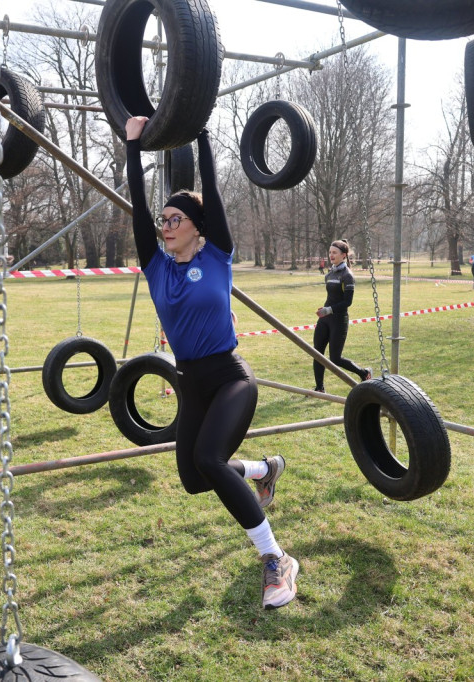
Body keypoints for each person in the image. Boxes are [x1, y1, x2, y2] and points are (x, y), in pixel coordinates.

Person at [126, 116, 298, 610]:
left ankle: (276, 559)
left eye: (174, 219)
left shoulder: (217, 254)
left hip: (229, 377)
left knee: (207, 459)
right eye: (163, 221)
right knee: (194, 478)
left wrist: (200, 133)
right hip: (191, 381)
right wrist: (133, 146)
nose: (165, 225)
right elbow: (137, 205)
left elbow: (214, 192)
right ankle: (264, 470)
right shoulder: (156, 265)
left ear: (197, 229)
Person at [313, 239, 372, 393]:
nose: (331, 255)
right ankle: (319, 389)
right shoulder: (330, 272)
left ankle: (364, 372)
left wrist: (329, 310)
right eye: (330, 252)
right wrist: (325, 311)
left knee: (335, 359)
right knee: (317, 353)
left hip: (339, 320)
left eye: (334, 253)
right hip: (325, 319)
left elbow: (347, 302)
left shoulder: (347, 276)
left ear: (344, 255)